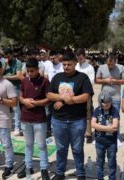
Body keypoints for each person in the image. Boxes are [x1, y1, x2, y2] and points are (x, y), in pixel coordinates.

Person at [47, 52, 94, 180]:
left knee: (77, 149)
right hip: (58, 120)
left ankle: (80, 173)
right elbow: (49, 95)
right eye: (64, 64)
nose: (66, 67)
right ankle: (60, 172)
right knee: (61, 149)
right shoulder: (57, 77)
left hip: (77, 120)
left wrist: (69, 100)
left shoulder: (82, 77)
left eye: (69, 64)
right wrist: (62, 97)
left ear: (75, 64)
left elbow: (86, 96)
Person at [18, 58, 50, 180]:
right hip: (25, 118)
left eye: (32, 71)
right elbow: (20, 96)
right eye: (28, 71)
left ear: (38, 69)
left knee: (41, 145)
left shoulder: (45, 81)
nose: (30, 73)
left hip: (39, 119)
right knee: (28, 144)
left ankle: (44, 169)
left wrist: (36, 103)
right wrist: (24, 101)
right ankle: (28, 167)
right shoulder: (24, 81)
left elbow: (49, 99)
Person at [95, 54, 124, 146]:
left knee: (115, 117)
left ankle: (115, 138)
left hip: (116, 96)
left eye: (112, 64)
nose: (110, 66)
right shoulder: (101, 67)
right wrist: (105, 80)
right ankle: (100, 136)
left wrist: (115, 81)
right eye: (108, 64)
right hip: (103, 97)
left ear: (115, 62)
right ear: (106, 62)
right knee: (101, 116)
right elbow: (97, 80)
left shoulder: (121, 67)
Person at [91, 90, 119, 180]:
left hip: (111, 142)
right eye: (104, 104)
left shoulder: (114, 111)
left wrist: (99, 127)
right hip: (99, 141)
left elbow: (114, 127)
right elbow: (92, 124)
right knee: (99, 162)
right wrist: (107, 128)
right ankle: (100, 177)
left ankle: (112, 178)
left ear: (111, 101)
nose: (106, 106)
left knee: (112, 162)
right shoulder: (97, 110)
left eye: (108, 104)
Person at [75, 48, 95, 143]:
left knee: (88, 113)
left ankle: (88, 133)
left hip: (86, 93)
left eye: (81, 58)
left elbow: (91, 81)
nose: (79, 60)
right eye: (78, 58)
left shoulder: (89, 68)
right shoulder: (75, 67)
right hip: (76, 93)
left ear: (84, 56)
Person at [3, 48, 23, 136]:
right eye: (5, 56)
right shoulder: (5, 62)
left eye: (8, 56)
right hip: (5, 86)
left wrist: (5, 77)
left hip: (15, 87)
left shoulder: (18, 62)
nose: (7, 58)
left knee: (16, 108)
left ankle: (17, 128)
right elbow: (0, 74)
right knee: (5, 106)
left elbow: (18, 76)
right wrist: (5, 65)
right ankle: (7, 126)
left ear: (12, 54)